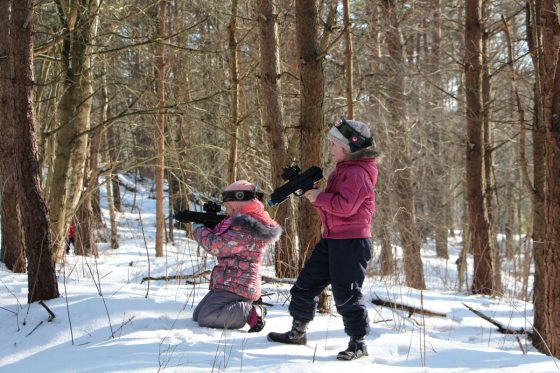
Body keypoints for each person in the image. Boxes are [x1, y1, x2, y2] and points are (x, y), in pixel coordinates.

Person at [267, 117, 378, 361]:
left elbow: (346, 207)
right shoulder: (342, 171)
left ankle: (358, 343)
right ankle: (298, 332)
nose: (330, 149)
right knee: (305, 285)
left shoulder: (358, 174)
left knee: (347, 294)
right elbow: (332, 208)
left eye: (333, 145)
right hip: (332, 239)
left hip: (351, 243)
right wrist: (314, 196)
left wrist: (319, 197)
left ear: (348, 148)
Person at [192, 180, 282, 333]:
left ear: (239, 206)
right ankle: (243, 309)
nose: (226, 212)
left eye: (229, 208)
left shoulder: (246, 229)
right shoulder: (239, 224)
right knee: (198, 315)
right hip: (229, 282)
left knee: (206, 317)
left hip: (238, 286)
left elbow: (216, 246)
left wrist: (199, 230)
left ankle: (251, 312)